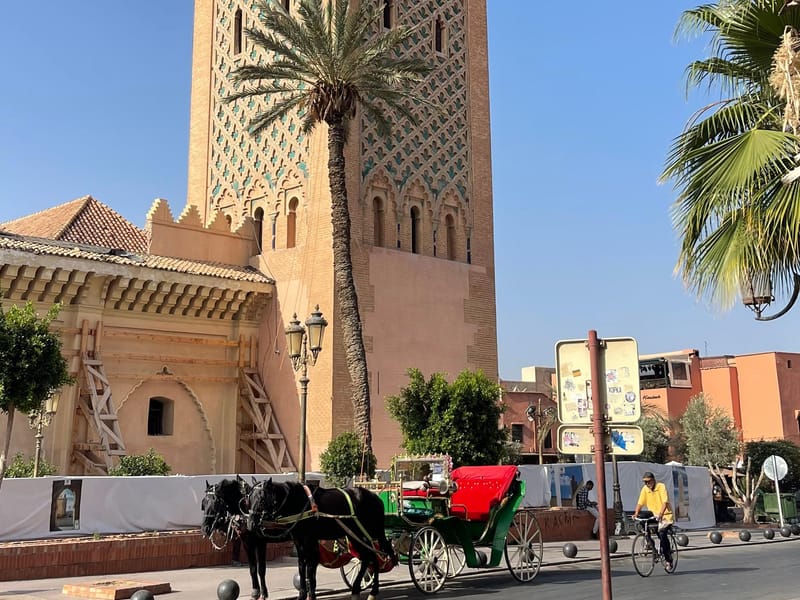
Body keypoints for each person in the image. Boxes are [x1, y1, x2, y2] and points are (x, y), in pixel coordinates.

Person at [633, 471, 674, 572]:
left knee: (662, 533)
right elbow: (640, 503)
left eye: (648, 481)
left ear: (653, 480)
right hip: (653, 514)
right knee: (642, 520)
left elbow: (665, 502)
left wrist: (660, 515)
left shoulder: (661, 487)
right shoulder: (645, 489)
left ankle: (668, 559)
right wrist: (636, 513)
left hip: (665, 516)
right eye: (645, 482)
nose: (647, 484)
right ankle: (651, 545)